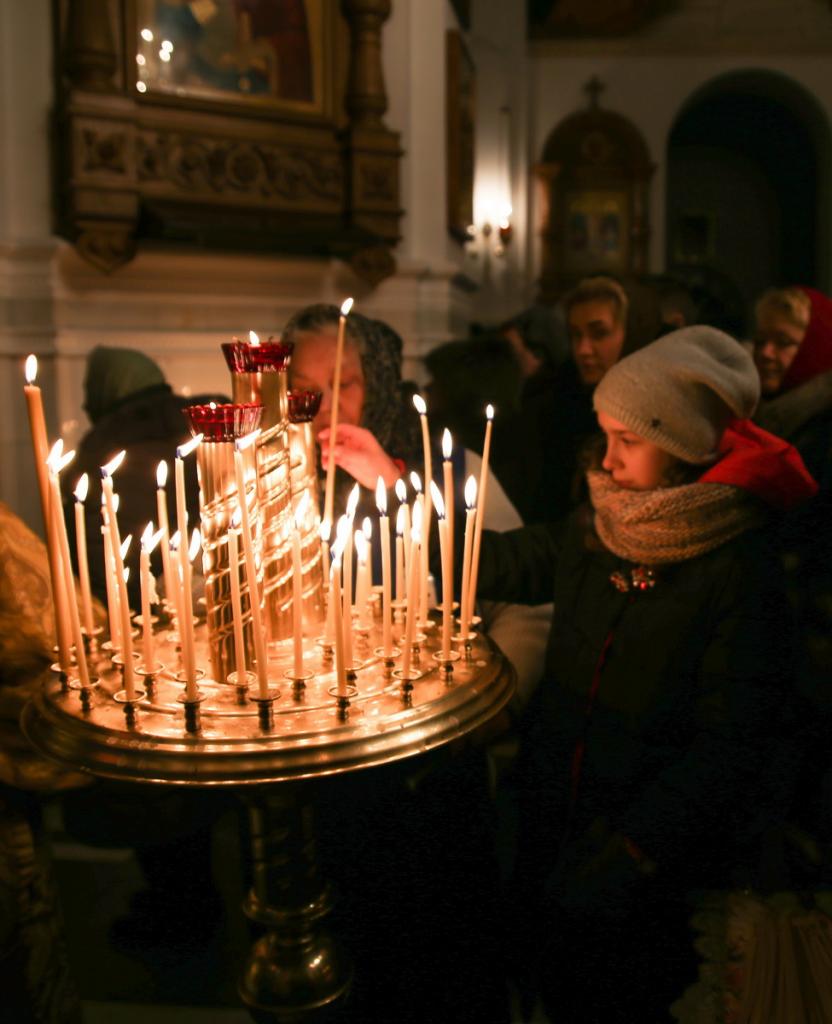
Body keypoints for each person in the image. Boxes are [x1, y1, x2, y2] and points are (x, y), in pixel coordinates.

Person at [473, 325, 817, 1022]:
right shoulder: (601, 518)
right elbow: (515, 561)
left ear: (685, 444)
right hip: (556, 821)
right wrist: (412, 542)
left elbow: (733, 741)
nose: (607, 458)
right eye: (604, 436)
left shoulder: (736, 566)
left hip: (648, 868)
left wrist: (636, 848)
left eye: (627, 440)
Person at [282, 302, 550, 1023]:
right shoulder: (274, 492)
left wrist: (497, 710)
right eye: (304, 391)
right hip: (321, 777)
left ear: (383, 384)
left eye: (345, 384)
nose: (324, 410)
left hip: (433, 774)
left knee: (441, 968)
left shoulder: (449, 470)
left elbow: (524, 604)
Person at [751, 286, 832, 871]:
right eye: (762, 340)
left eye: (785, 341)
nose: (768, 353)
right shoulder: (773, 420)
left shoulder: (820, 426)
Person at [65, 345, 227, 608]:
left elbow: (91, 561)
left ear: (106, 388)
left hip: (132, 615)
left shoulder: (96, 451)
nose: (85, 403)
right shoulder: (211, 424)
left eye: (89, 390)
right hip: (220, 596)